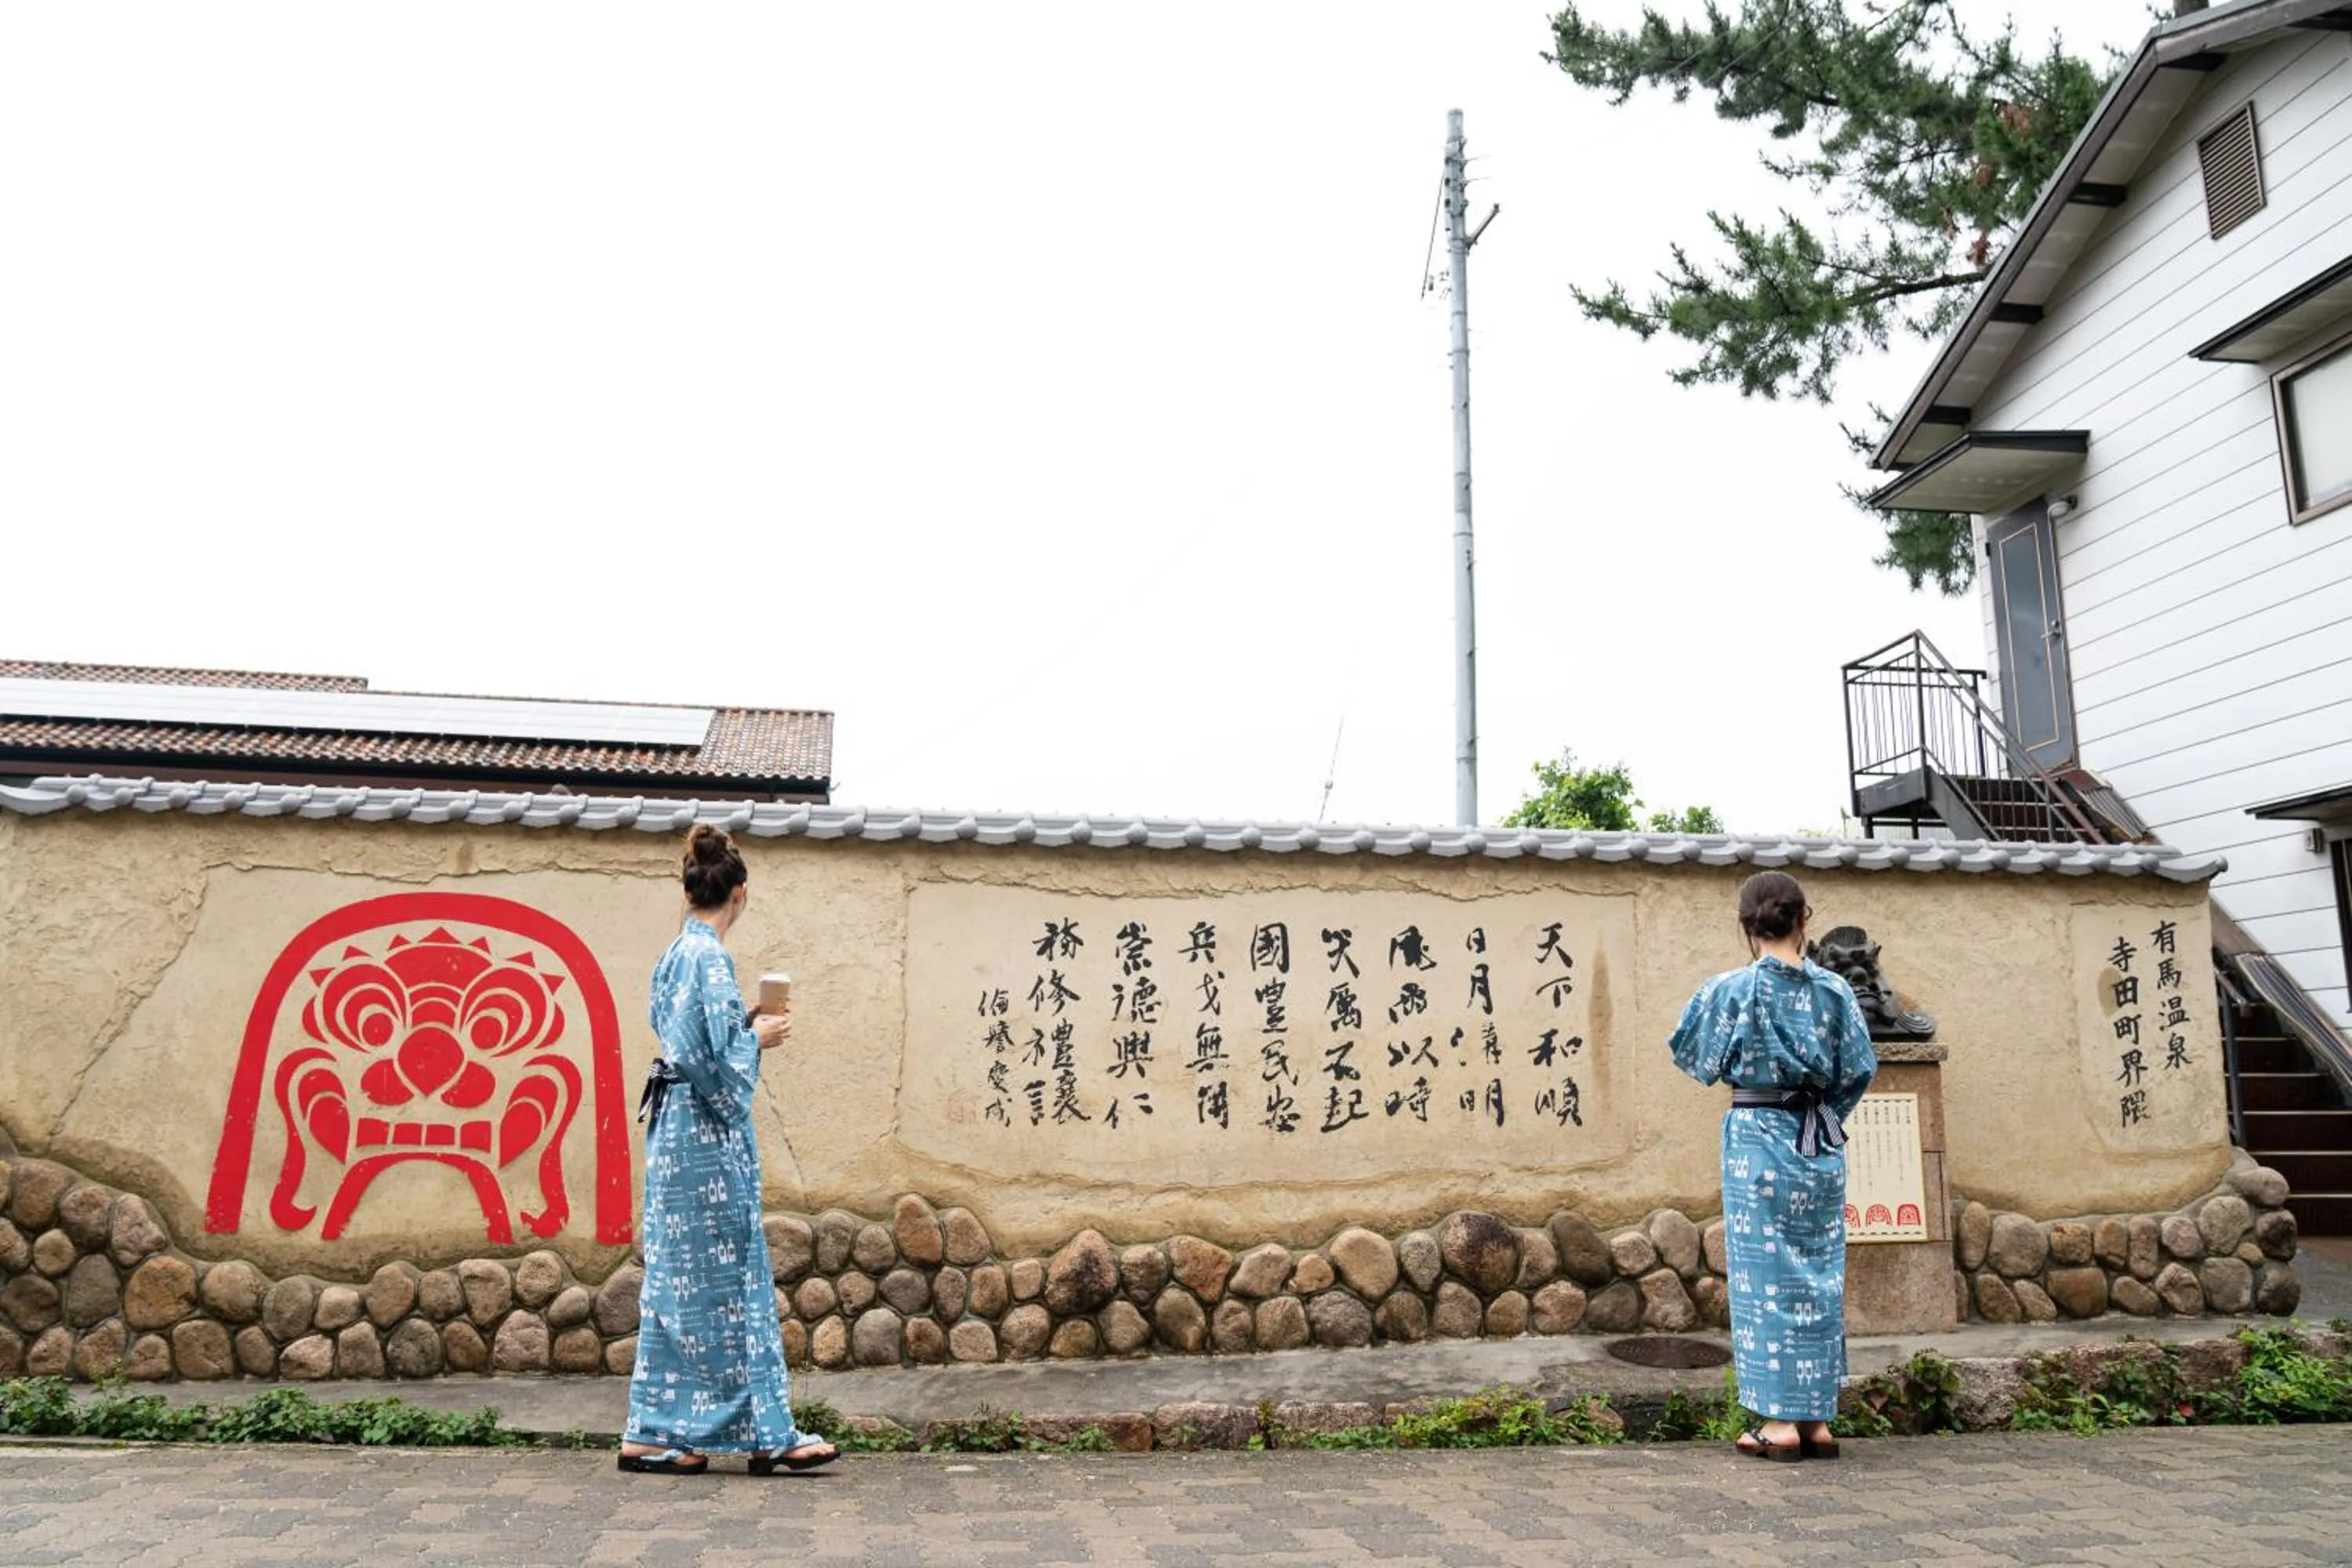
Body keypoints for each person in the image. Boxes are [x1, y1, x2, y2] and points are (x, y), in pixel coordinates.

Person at [619, 822, 837, 1476]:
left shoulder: (672, 955)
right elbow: (717, 1066)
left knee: (677, 1286)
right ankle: (767, 1435)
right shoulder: (710, 957)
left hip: (675, 1129)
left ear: (690, 890)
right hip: (707, 1139)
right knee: (731, 1282)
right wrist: (757, 1038)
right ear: (737, 894)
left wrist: (739, 1028)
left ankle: (652, 1430)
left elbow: (685, 1044)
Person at [1668, 870, 1876, 1462]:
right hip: (1817, 1143)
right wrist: (1821, 1112)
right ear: (1804, 918)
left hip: (1757, 1136)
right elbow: (1860, 1069)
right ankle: (1816, 1420)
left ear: (1748, 926)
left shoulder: (1730, 989)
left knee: (1767, 1279)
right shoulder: (1836, 992)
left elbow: (1692, 1055)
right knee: (1818, 1274)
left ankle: (1780, 1422)